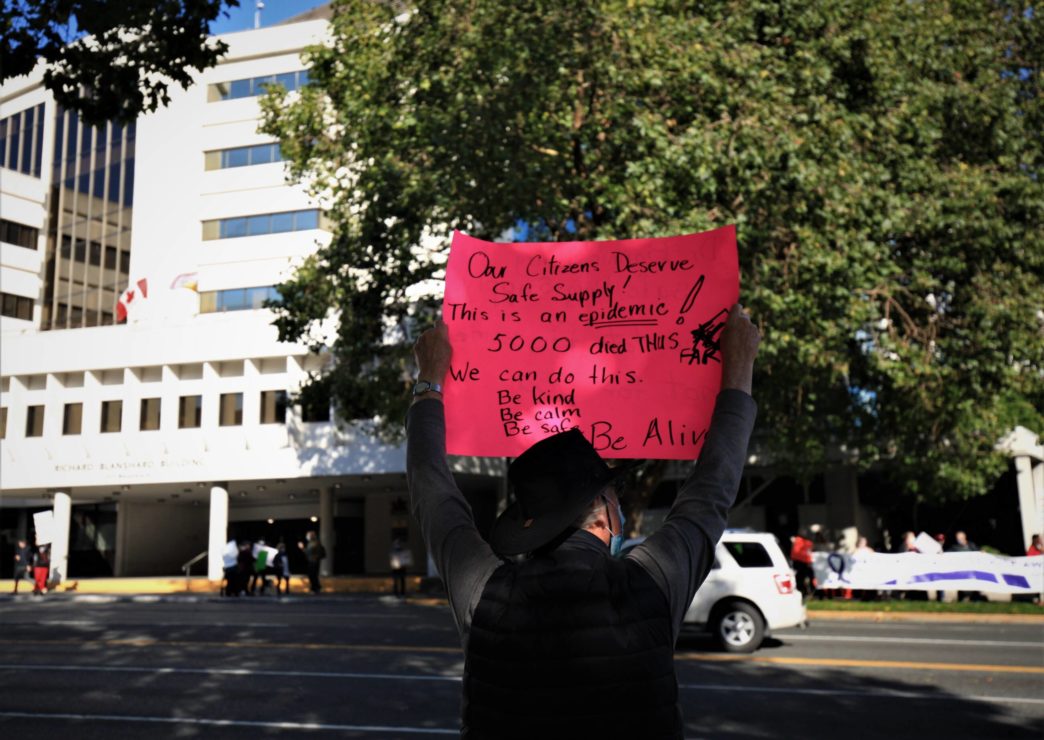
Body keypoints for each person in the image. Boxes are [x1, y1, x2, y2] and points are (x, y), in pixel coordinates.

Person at [407, 304, 759, 738]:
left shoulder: (484, 590)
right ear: (607, 511)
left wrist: (430, 380)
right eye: (616, 497)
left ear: (531, 525)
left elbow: (432, 492)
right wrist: (739, 368)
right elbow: (712, 491)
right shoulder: (654, 581)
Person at [790, 528, 815, 598]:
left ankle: (806, 592)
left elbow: (809, 552)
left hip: (805, 562)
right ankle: (802, 592)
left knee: (805, 577)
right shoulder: (799, 540)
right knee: (800, 578)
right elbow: (796, 552)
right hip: (799, 562)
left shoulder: (807, 542)